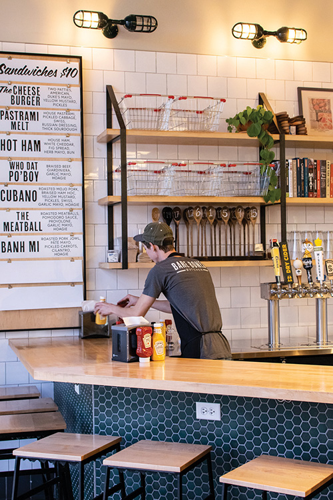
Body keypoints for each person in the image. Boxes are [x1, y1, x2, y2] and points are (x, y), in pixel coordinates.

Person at [94, 221, 231, 360]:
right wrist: (142, 301)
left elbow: (136, 315)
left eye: (146, 249)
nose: (147, 253)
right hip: (221, 346)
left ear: (153, 247)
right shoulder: (197, 264)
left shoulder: (160, 270)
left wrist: (110, 308)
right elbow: (180, 307)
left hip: (200, 349)